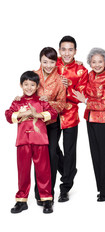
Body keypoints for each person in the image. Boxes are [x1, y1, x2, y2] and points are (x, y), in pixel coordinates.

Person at [5, 71, 58, 213]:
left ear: (37, 86)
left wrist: (37, 115)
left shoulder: (41, 101)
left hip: (40, 141)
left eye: (32, 85)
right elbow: (8, 116)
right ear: (21, 85)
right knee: (23, 172)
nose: (29, 87)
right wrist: (22, 114)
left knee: (43, 171)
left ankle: (46, 199)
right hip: (23, 141)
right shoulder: (17, 102)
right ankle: (21, 201)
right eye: (26, 84)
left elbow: (53, 113)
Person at [73, 48, 105, 201]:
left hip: (104, 121)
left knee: (104, 156)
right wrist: (77, 63)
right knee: (96, 155)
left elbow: (104, 104)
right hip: (90, 119)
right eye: (93, 61)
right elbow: (80, 74)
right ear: (90, 63)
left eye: (100, 61)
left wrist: (85, 101)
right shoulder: (90, 75)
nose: (97, 64)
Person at [56, 35, 88, 202]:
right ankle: (69, 171)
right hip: (52, 115)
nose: (67, 53)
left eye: (70, 49)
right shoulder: (52, 64)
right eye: (63, 49)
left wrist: (68, 87)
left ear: (75, 51)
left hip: (70, 116)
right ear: (59, 50)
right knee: (51, 147)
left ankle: (65, 186)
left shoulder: (81, 70)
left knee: (69, 152)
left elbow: (82, 96)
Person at [34, 47, 66, 205]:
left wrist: (48, 102)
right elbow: (27, 94)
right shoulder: (33, 76)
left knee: (52, 155)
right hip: (36, 123)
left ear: (56, 62)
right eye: (45, 61)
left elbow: (62, 104)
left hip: (53, 123)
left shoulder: (59, 80)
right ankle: (38, 193)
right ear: (40, 60)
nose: (48, 65)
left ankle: (49, 194)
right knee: (39, 157)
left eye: (51, 62)